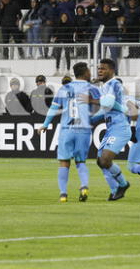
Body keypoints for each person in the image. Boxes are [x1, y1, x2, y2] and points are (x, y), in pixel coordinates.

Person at [38, 62, 100, 202]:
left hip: (67, 129)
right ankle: (84, 186)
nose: (90, 73)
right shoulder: (91, 88)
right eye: (89, 71)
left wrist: (45, 125)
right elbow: (105, 104)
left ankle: (63, 194)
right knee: (81, 161)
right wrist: (92, 118)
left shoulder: (64, 88)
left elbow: (53, 109)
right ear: (85, 73)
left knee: (64, 162)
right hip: (83, 130)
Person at [91, 59, 131, 201]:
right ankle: (117, 188)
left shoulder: (114, 83)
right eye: (99, 68)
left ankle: (123, 185)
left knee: (106, 159)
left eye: (103, 69)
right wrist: (91, 120)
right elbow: (104, 110)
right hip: (111, 128)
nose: (100, 71)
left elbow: (107, 104)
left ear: (112, 71)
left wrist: (92, 100)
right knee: (100, 161)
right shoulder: (106, 86)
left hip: (119, 127)